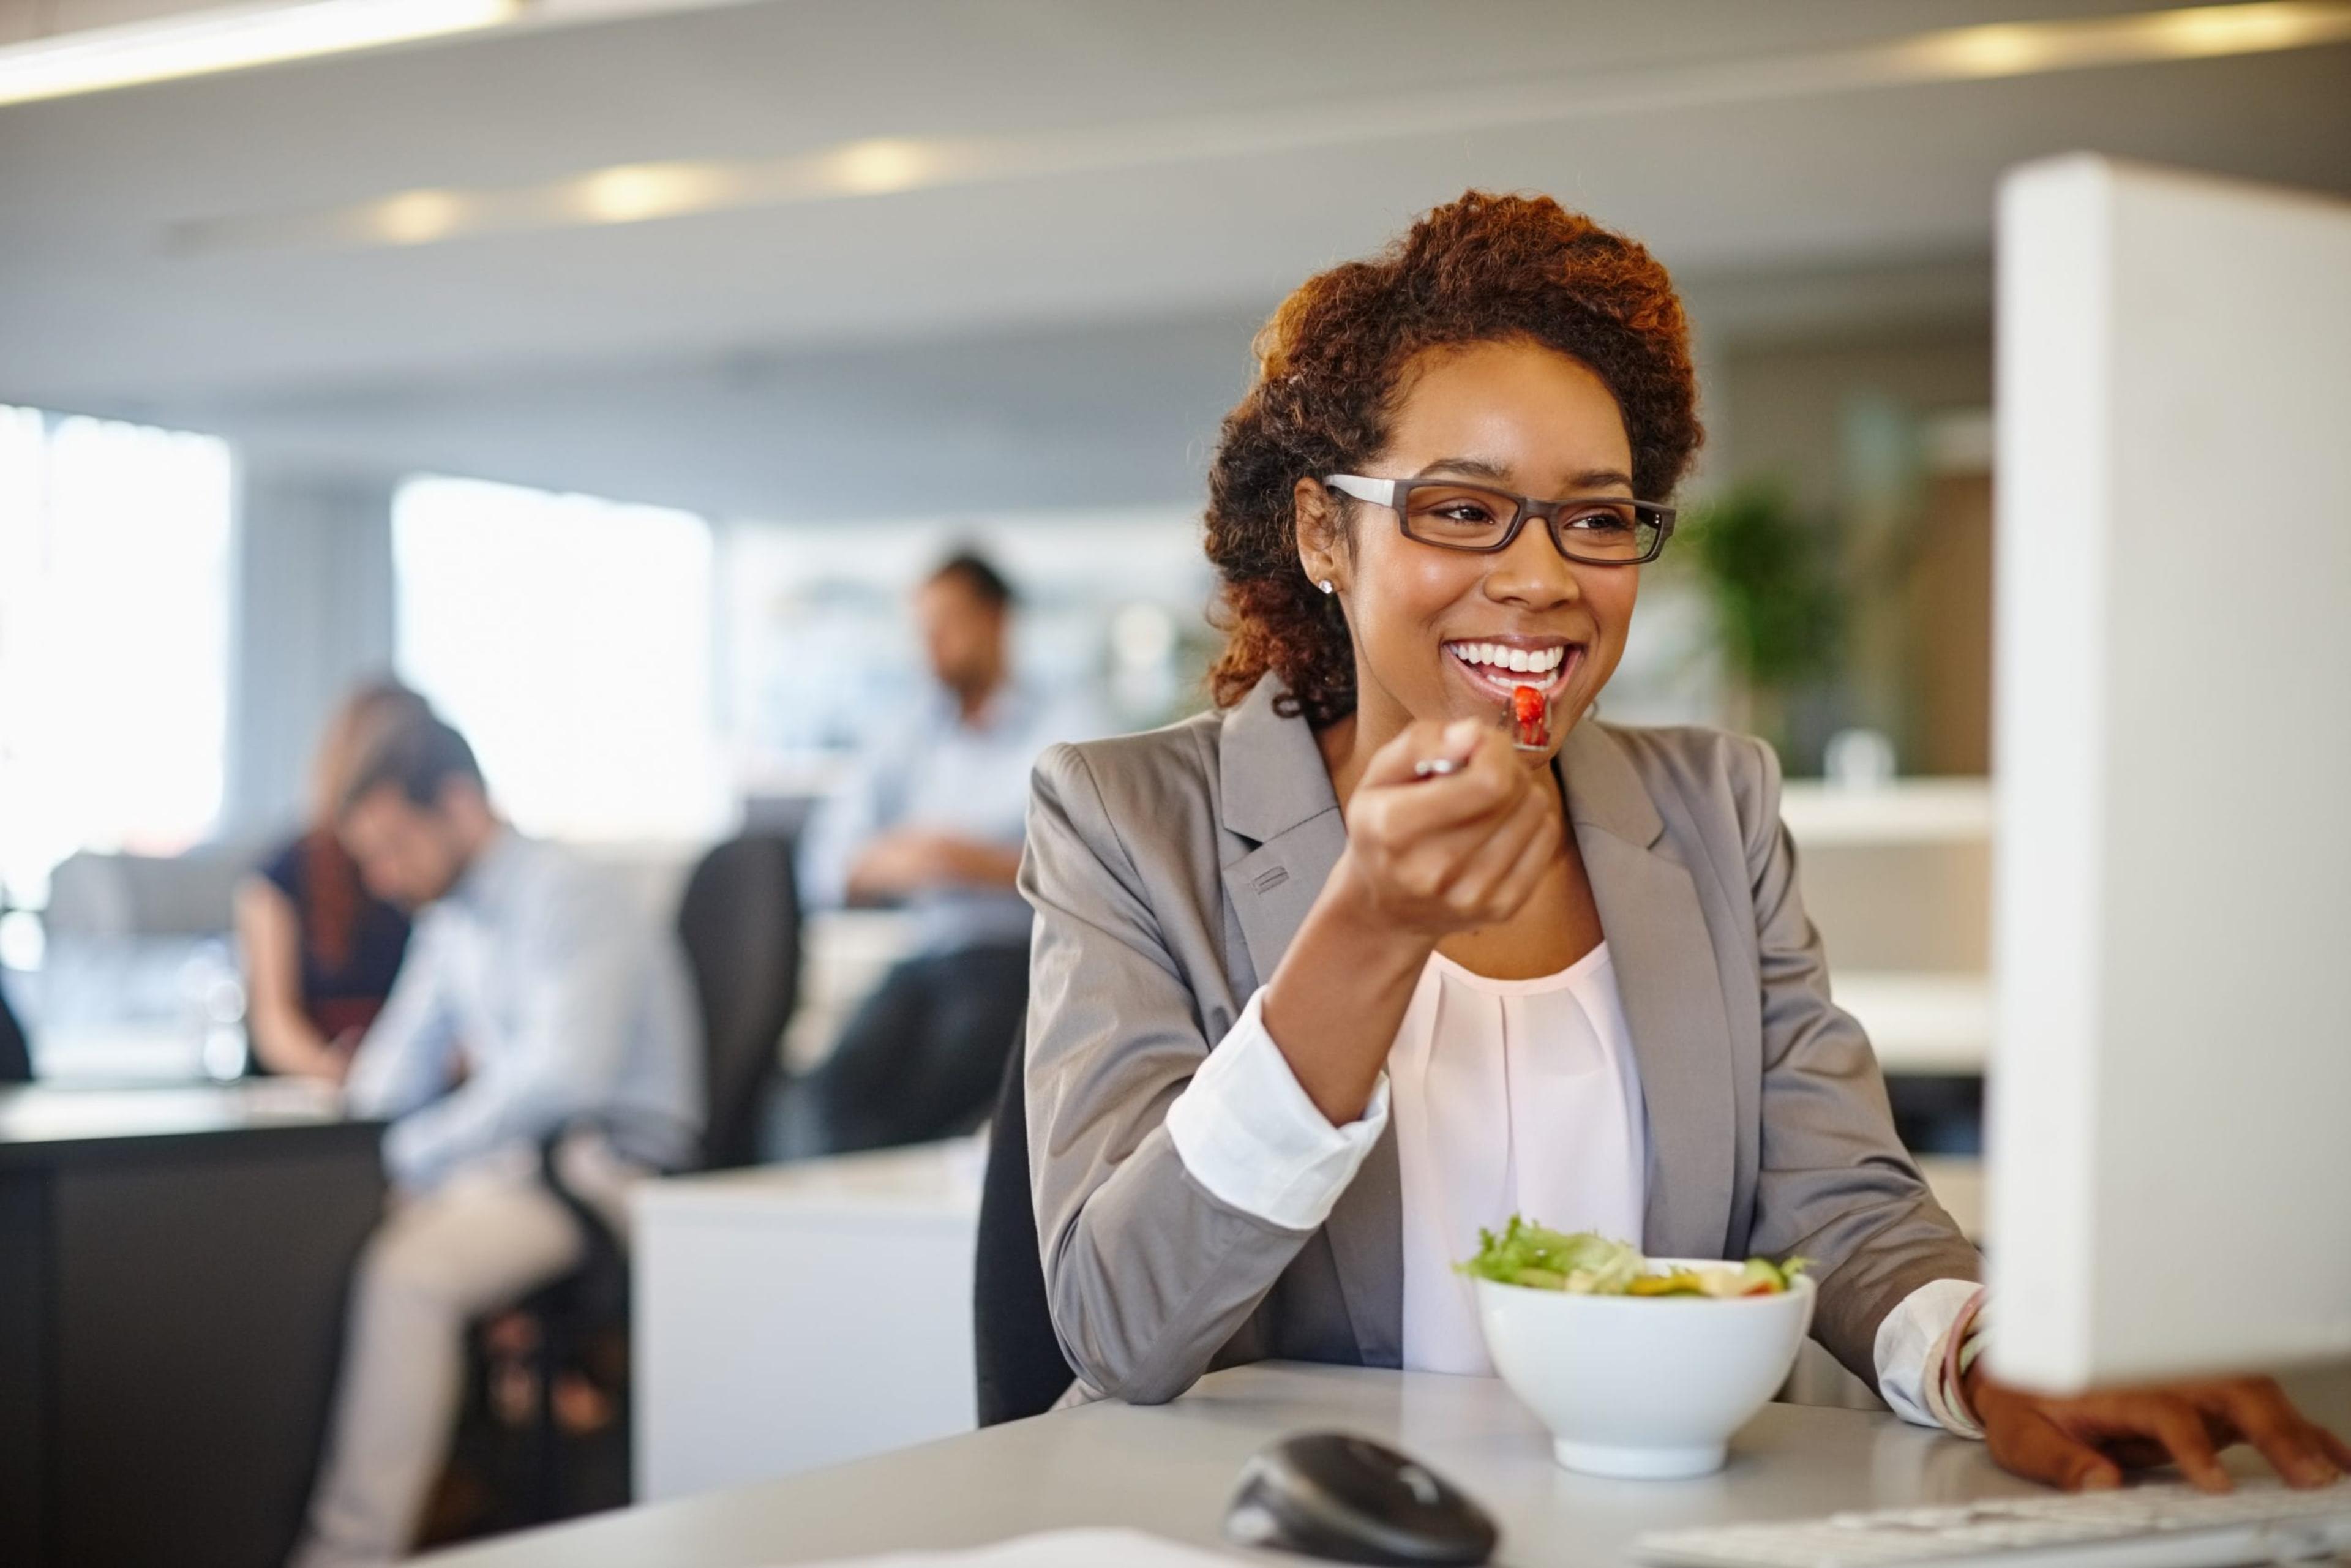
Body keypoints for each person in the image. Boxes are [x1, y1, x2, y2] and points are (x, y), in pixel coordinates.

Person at [1019, 192, 2350, 1493]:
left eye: (1597, 516)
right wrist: (1369, 924)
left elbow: (1842, 1201)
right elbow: (1119, 1322)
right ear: (1326, 530)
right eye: (1462, 508)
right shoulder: (1127, 820)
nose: (1543, 576)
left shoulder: (1715, 806)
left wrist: (1995, 1356)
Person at [290, 711, 703, 1568]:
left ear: (458, 801)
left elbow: (565, 1078)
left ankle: (345, 1553)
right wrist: (333, 1134)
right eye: (370, 857)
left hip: (610, 1169)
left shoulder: (566, 893)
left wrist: (415, 1151)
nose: (384, 875)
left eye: (395, 844)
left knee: (407, 1276)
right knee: (339, 1226)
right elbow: (392, 1070)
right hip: (525, 1164)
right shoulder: (455, 916)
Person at [793, 551, 1098, 1153]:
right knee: (835, 1089)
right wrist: (919, 857)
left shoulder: (1068, 724)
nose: (931, 644)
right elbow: (826, 867)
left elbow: (1096, 866)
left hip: (1019, 957)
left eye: (947, 625)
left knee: (936, 1093)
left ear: (996, 620)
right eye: (924, 628)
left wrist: (965, 861)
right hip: (929, 953)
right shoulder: (907, 733)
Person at [236, 680, 430, 1079]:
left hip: (409, 1084)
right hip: (319, 1097)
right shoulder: (279, 880)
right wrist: (341, 1075)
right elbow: (274, 1025)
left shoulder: (437, 886)